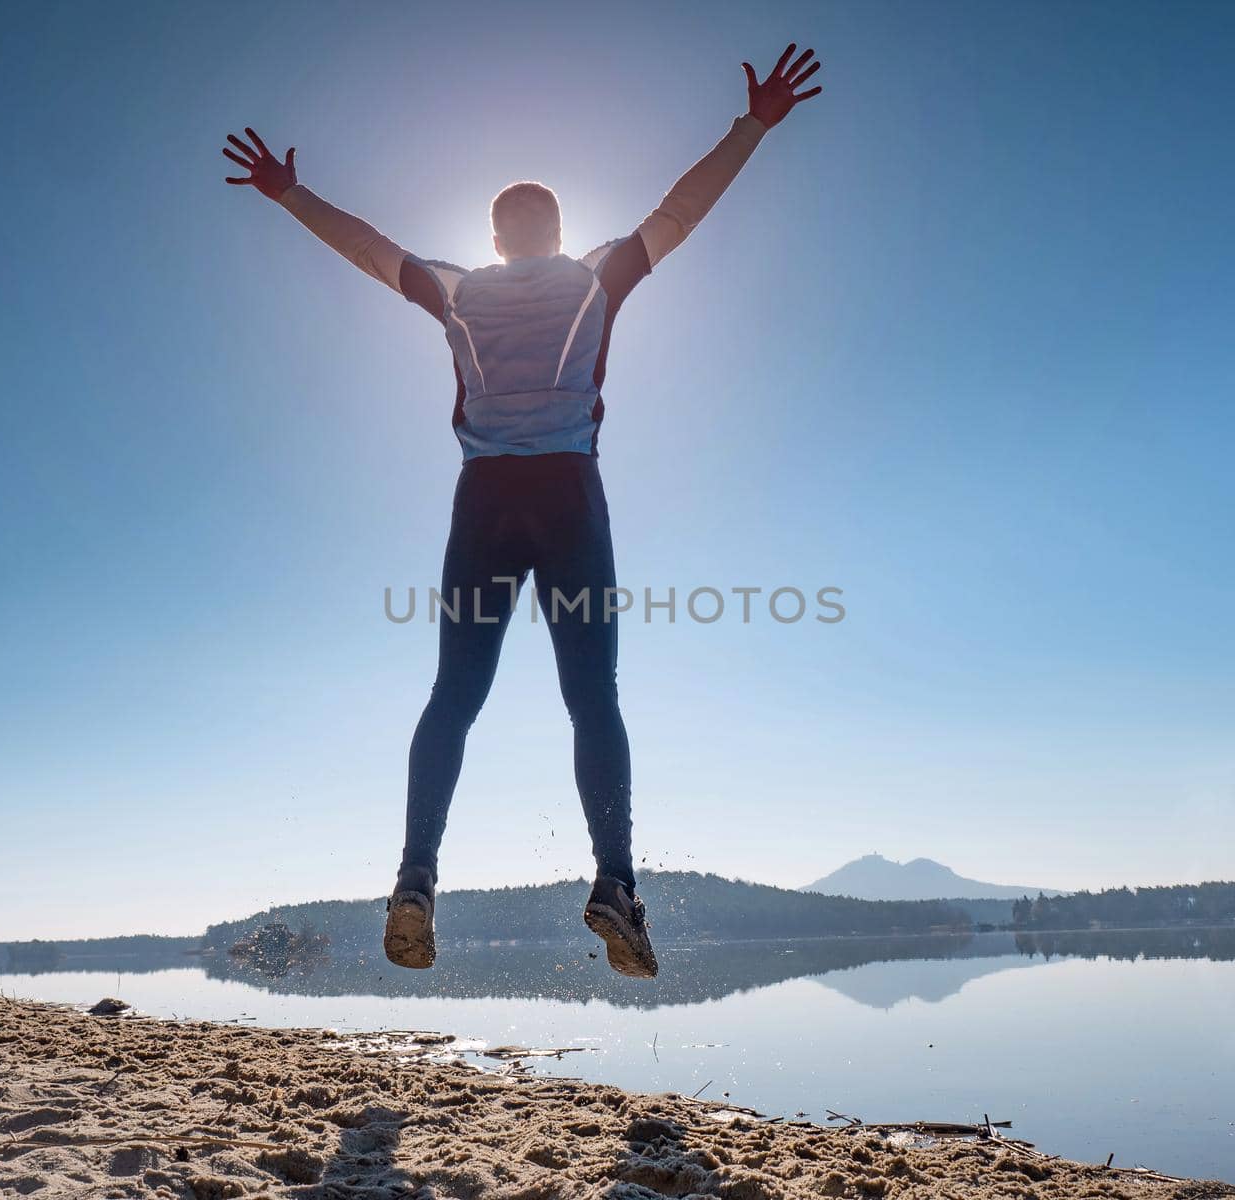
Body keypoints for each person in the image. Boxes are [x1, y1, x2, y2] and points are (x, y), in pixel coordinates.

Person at [224, 43, 822, 978]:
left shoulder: (459, 290)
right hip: (569, 501)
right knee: (593, 699)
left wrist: (289, 195)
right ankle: (614, 884)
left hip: (484, 510)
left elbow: (370, 249)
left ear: (496, 240)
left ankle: (417, 878)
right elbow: (681, 212)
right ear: (557, 231)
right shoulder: (594, 280)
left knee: (453, 697)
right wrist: (752, 125)